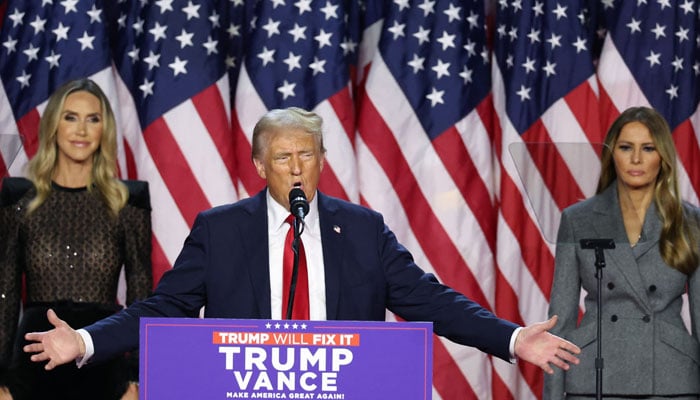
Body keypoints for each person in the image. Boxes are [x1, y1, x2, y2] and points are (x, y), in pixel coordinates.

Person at [22, 106, 580, 381]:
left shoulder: (362, 229)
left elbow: (429, 300)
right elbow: (165, 306)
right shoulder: (220, 229)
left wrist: (510, 339)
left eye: (307, 155)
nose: (296, 168)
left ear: (322, 162)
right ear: (261, 165)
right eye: (283, 157)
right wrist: (88, 343)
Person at [0, 78, 153, 400]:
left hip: (104, 360)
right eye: (70, 117)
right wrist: (1, 378)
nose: (81, 130)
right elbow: (5, 292)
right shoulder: (18, 198)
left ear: (104, 129)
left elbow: (142, 293)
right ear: (54, 125)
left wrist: (137, 376)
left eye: (92, 119)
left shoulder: (128, 200)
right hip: (32, 363)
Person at [544, 106, 700, 399]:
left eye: (648, 148)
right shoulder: (578, 220)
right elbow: (560, 319)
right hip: (594, 374)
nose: (637, 159)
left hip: (670, 376)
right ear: (611, 153)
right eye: (626, 147)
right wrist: (552, 395)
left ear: (662, 156)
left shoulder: (691, 222)